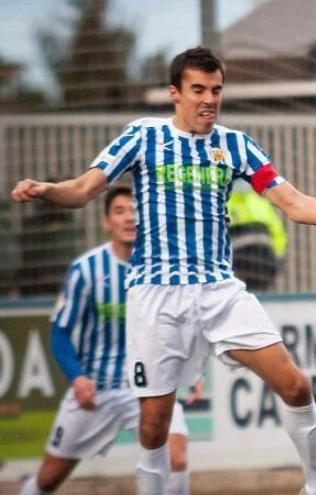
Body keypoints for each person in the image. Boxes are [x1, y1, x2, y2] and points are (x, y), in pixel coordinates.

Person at [11, 47, 316, 495]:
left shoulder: (235, 145)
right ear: (175, 93)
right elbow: (84, 189)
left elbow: (295, 204)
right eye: (198, 90)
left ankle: (314, 487)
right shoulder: (142, 136)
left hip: (218, 292)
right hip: (156, 298)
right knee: (154, 430)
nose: (209, 99)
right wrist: (47, 190)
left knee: (296, 384)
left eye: (216, 90)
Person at [19, 187, 194, 495]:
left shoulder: (165, 269)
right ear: (106, 223)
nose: (130, 217)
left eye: (135, 210)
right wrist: (78, 379)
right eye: (120, 211)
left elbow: (182, 324)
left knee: (176, 459)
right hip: (96, 391)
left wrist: (194, 368)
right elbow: (59, 332)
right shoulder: (86, 270)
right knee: (47, 481)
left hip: (148, 387)